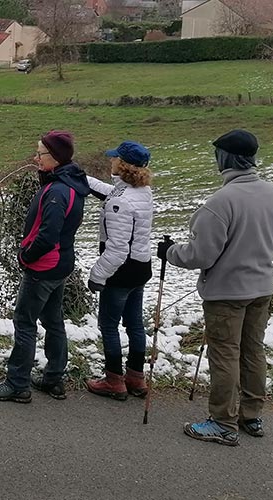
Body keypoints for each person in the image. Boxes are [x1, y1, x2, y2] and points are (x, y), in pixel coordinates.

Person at [160, 129, 273, 446]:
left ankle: (222, 421)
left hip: (227, 294)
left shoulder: (220, 203)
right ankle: (251, 415)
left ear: (224, 159)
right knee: (253, 351)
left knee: (225, 356)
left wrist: (169, 252)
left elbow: (200, 254)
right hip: (261, 288)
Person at [0, 131, 91, 404]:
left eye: (40, 154)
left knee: (25, 321)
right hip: (61, 264)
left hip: (44, 266)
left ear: (55, 158)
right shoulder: (71, 183)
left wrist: (26, 257)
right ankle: (54, 378)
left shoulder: (57, 191)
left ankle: (17, 383)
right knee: (53, 320)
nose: (35, 158)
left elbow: (48, 235)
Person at [83, 141, 155, 401]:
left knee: (109, 325)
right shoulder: (142, 192)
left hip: (120, 271)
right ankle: (136, 377)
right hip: (140, 267)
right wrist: (83, 178)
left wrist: (97, 275)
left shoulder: (121, 203)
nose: (110, 161)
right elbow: (110, 192)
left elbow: (116, 250)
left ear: (122, 164)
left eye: (114, 158)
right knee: (135, 324)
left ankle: (114, 380)